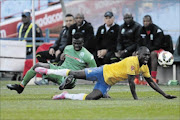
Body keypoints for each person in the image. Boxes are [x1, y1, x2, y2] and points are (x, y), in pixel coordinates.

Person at [35, 46, 176, 100]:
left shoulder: (144, 66)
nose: (146, 58)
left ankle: (65, 95)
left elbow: (151, 82)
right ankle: (47, 70)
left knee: (92, 98)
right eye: (144, 55)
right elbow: (131, 83)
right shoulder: (132, 61)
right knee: (75, 73)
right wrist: (136, 99)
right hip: (103, 70)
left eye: (147, 56)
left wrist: (165, 95)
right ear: (137, 54)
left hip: (107, 81)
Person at [6, 32, 97, 94]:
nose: (76, 45)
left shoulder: (88, 56)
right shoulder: (67, 48)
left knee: (70, 77)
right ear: (72, 41)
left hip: (71, 77)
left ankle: (64, 83)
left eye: (79, 43)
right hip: (58, 71)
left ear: (83, 42)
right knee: (38, 65)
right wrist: (61, 58)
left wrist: (101, 92)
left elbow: (96, 74)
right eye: (75, 43)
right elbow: (64, 58)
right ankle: (21, 87)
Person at [138, 15, 165, 83]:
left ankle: (153, 78)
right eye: (144, 21)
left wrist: (145, 50)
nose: (145, 23)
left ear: (151, 21)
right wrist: (139, 50)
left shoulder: (157, 30)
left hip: (158, 50)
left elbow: (158, 45)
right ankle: (138, 78)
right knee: (135, 54)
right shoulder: (141, 30)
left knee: (153, 54)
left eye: (147, 21)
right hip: (146, 50)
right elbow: (138, 43)